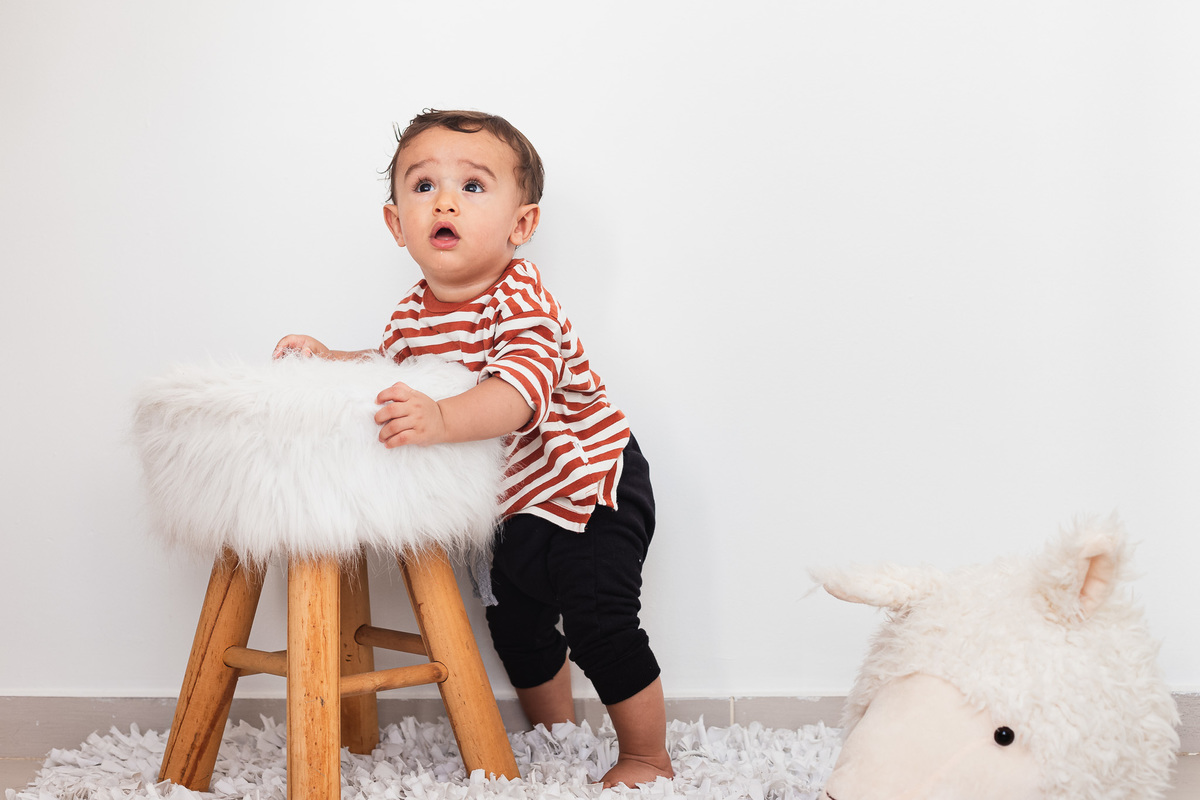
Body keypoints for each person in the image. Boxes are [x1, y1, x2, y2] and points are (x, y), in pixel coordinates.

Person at [273, 109, 672, 789]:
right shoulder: (412, 313)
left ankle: (646, 756)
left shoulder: (521, 297)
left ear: (521, 225)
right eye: (424, 186)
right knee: (516, 624)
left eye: (473, 186)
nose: (446, 201)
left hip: (584, 484)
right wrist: (333, 358)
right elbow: (390, 369)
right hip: (511, 502)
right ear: (397, 223)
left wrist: (439, 417)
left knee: (600, 620)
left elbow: (517, 393)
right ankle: (554, 734)